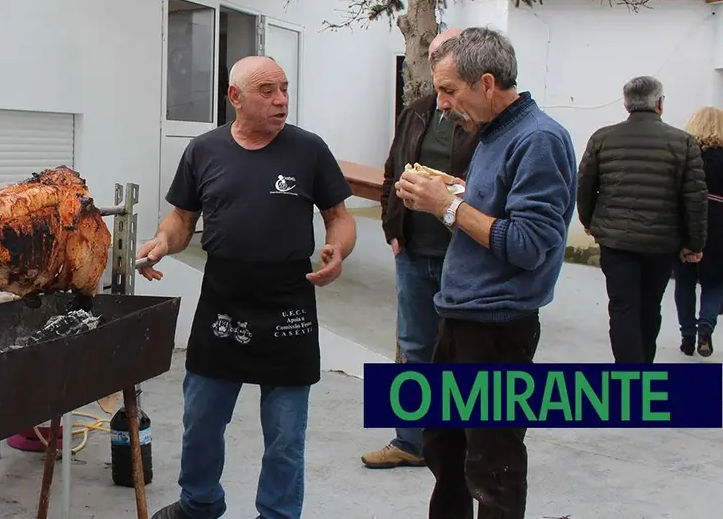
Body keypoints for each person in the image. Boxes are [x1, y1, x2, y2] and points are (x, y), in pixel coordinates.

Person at [138, 55, 357, 519]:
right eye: (267, 91)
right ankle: (199, 504)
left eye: (284, 88)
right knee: (201, 419)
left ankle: (277, 514)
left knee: (284, 434)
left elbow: (338, 217)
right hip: (224, 296)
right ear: (235, 97)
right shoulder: (204, 150)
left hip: (288, 300)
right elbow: (181, 218)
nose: (281, 100)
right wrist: (161, 243)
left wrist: (338, 249)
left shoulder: (309, 150)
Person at [395, 27, 576, 519]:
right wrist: (458, 191)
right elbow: (501, 208)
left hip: (498, 327)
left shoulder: (538, 139)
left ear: (487, 83)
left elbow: (529, 244)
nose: (444, 105)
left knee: (491, 463)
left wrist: (449, 207)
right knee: (445, 449)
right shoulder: (494, 133)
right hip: (462, 317)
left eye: (450, 91)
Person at [363, 27, 479, 470]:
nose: (439, 74)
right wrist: (393, 226)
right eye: (436, 63)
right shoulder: (416, 112)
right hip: (414, 250)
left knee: (465, 350)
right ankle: (409, 442)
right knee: (414, 346)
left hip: (464, 251)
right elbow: (393, 170)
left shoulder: (483, 120)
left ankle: (466, 446)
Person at [576, 75, 707, 363]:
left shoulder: (602, 138)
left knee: (622, 308)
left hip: (616, 242)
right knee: (650, 307)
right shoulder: (684, 142)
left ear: (626, 104)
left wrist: (589, 221)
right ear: (660, 104)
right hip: (661, 245)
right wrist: (694, 242)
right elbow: (694, 198)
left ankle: (628, 375)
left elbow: (585, 184)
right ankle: (643, 369)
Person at [674, 106, 723, 357]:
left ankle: (687, 335)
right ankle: (706, 326)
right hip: (719, 223)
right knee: (715, 281)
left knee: (685, 280)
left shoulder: (685, 153)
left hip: (687, 218)